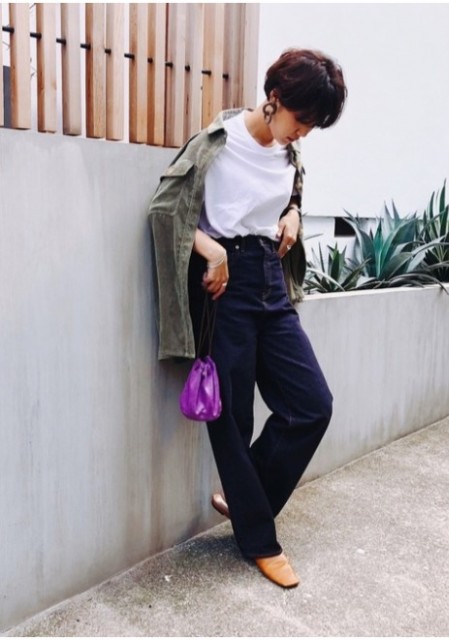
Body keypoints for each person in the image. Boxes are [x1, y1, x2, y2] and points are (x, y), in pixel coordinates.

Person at [149, 48, 347, 588]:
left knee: (312, 405)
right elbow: (165, 210)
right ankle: (259, 540)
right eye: (302, 119)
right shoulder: (217, 143)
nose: (304, 132)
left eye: (313, 125)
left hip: (270, 282)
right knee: (233, 419)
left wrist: (294, 214)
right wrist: (210, 250)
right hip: (226, 286)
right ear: (275, 98)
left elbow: (290, 195)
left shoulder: (288, 153)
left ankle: (244, 498)